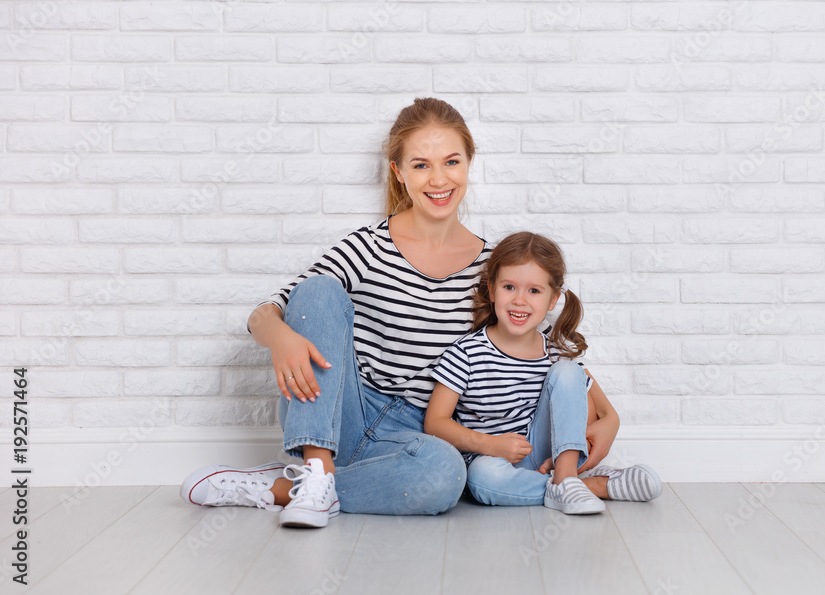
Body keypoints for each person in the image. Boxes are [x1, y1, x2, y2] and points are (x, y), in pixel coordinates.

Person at [179, 97, 622, 527]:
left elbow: (538, 345)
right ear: (399, 171)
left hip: (417, 431)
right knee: (317, 290)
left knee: (447, 478)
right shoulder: (367, 247)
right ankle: (315, 468)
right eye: (420, 164)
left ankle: (284, 488)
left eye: (451, 162)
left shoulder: (491, 268)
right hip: (341, 409)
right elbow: (267, 313)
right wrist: (282, 338)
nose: (438, 179)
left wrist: (609, 416)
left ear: (469, 164)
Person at [425, 232, 662, 515]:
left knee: (568, 371)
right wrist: (491, 444)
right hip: (493, 460)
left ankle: (565, 477)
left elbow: (600, 407)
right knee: (481, 479)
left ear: (553, 300)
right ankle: (594, 486)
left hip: (548, 455)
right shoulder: (466, 354)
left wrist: (611, 421)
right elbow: (435, 423)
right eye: (509, 287)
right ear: (491, 289)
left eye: (534, 291)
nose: (520, 300)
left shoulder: (554, 351)